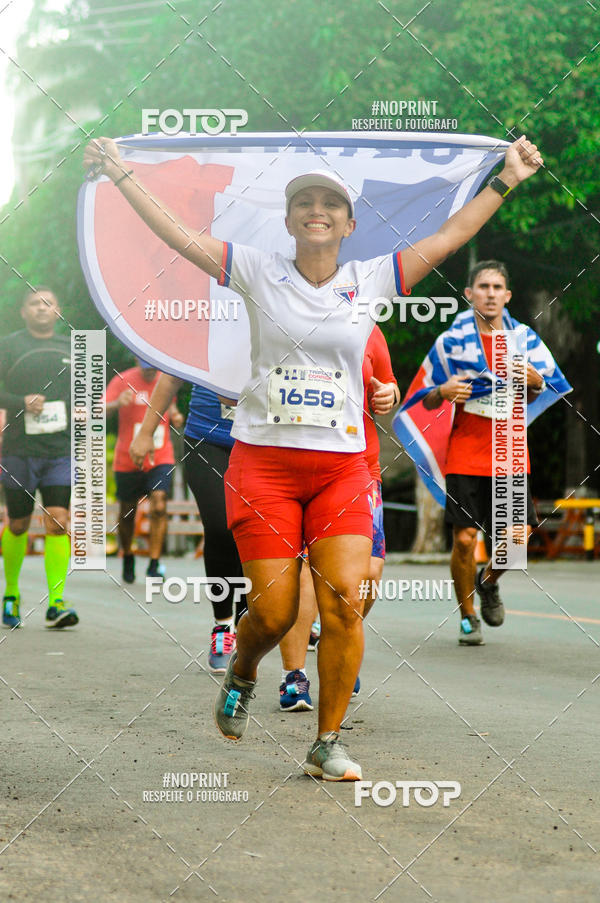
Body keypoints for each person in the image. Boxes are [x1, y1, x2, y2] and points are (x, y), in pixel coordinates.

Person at [84, 133, 543, 780]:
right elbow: (178, 235)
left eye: (330, 201)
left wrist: (508, 178)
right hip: (264, 466)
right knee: (271, 612)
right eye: (305, 201)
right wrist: (122, 175)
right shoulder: (252, 267)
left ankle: (328, 739)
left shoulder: (372, 277)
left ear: (350, 223)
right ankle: (244, 667)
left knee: (344, 602)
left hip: (342, 470)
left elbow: (448, 237)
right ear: (290, 218)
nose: (317, 209)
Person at [416, 260, 571, 644]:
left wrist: (535, 380)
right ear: (469, 294)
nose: (490, 293)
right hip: (465, 450)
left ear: (507, 295)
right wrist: (443, 391)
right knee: (465, 539)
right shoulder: (451, 342)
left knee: (517, 542)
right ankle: (468, 615)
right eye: (482, 286)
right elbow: (425, 397)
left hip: (510, 450)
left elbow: (548, 387)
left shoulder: (526, 341)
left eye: (497, 287)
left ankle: (487, 582)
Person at [278, 325, 400, 711]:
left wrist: (388, 394)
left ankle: (336, 637)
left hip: (359, 466)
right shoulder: (284, 317)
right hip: (297, 466)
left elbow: (389, 383)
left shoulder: (369, 328)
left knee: (370, 573)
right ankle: (294, 677)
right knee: (304, 574)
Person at [130, 377, 248, 673]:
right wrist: (146, 431)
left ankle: (248, 625)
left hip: (264, 440)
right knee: (222, 528)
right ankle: (223, 626)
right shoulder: (208, 327)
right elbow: (170, 377)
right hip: (208, 440)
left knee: (254, 534)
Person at [0, 287, 77, 629]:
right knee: (18, 522)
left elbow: (86, 390)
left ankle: (56, 602)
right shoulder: (9, 345)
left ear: (58, 310)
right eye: (34, 303)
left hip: (59, 449)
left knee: (59, 520)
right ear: (23, 312)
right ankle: (12, 594)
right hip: (19, 449)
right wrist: (19, 401)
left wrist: (83, 409)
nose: (42, 308)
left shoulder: (71, 346)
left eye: (48, 302)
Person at [105, 358, 183, 583]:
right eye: (146, 368)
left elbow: (170, 404)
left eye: (154, 368)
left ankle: (154, 562)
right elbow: (99, 407)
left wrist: (176, 415)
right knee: (127, 510)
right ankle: (128, 554)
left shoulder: (166, 378)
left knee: (159, 504)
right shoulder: (122, 380)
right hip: (128, 457)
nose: (150, 373)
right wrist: (117, 403)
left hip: (160, 456)